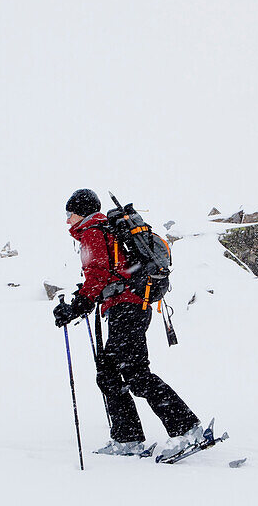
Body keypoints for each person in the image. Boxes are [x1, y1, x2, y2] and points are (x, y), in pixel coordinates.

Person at [54, 189, 202, 456]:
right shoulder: (106, 229)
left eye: (69, 213)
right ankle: (127, 439)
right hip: (131, 305)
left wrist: (76, 306)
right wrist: (84, 298)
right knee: (109, 372)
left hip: (127, 308)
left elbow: (97, 274)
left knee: (135, 373)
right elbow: (106, 274)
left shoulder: (91, 231)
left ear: (81, 211)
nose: (67, 220)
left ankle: (187, 430)